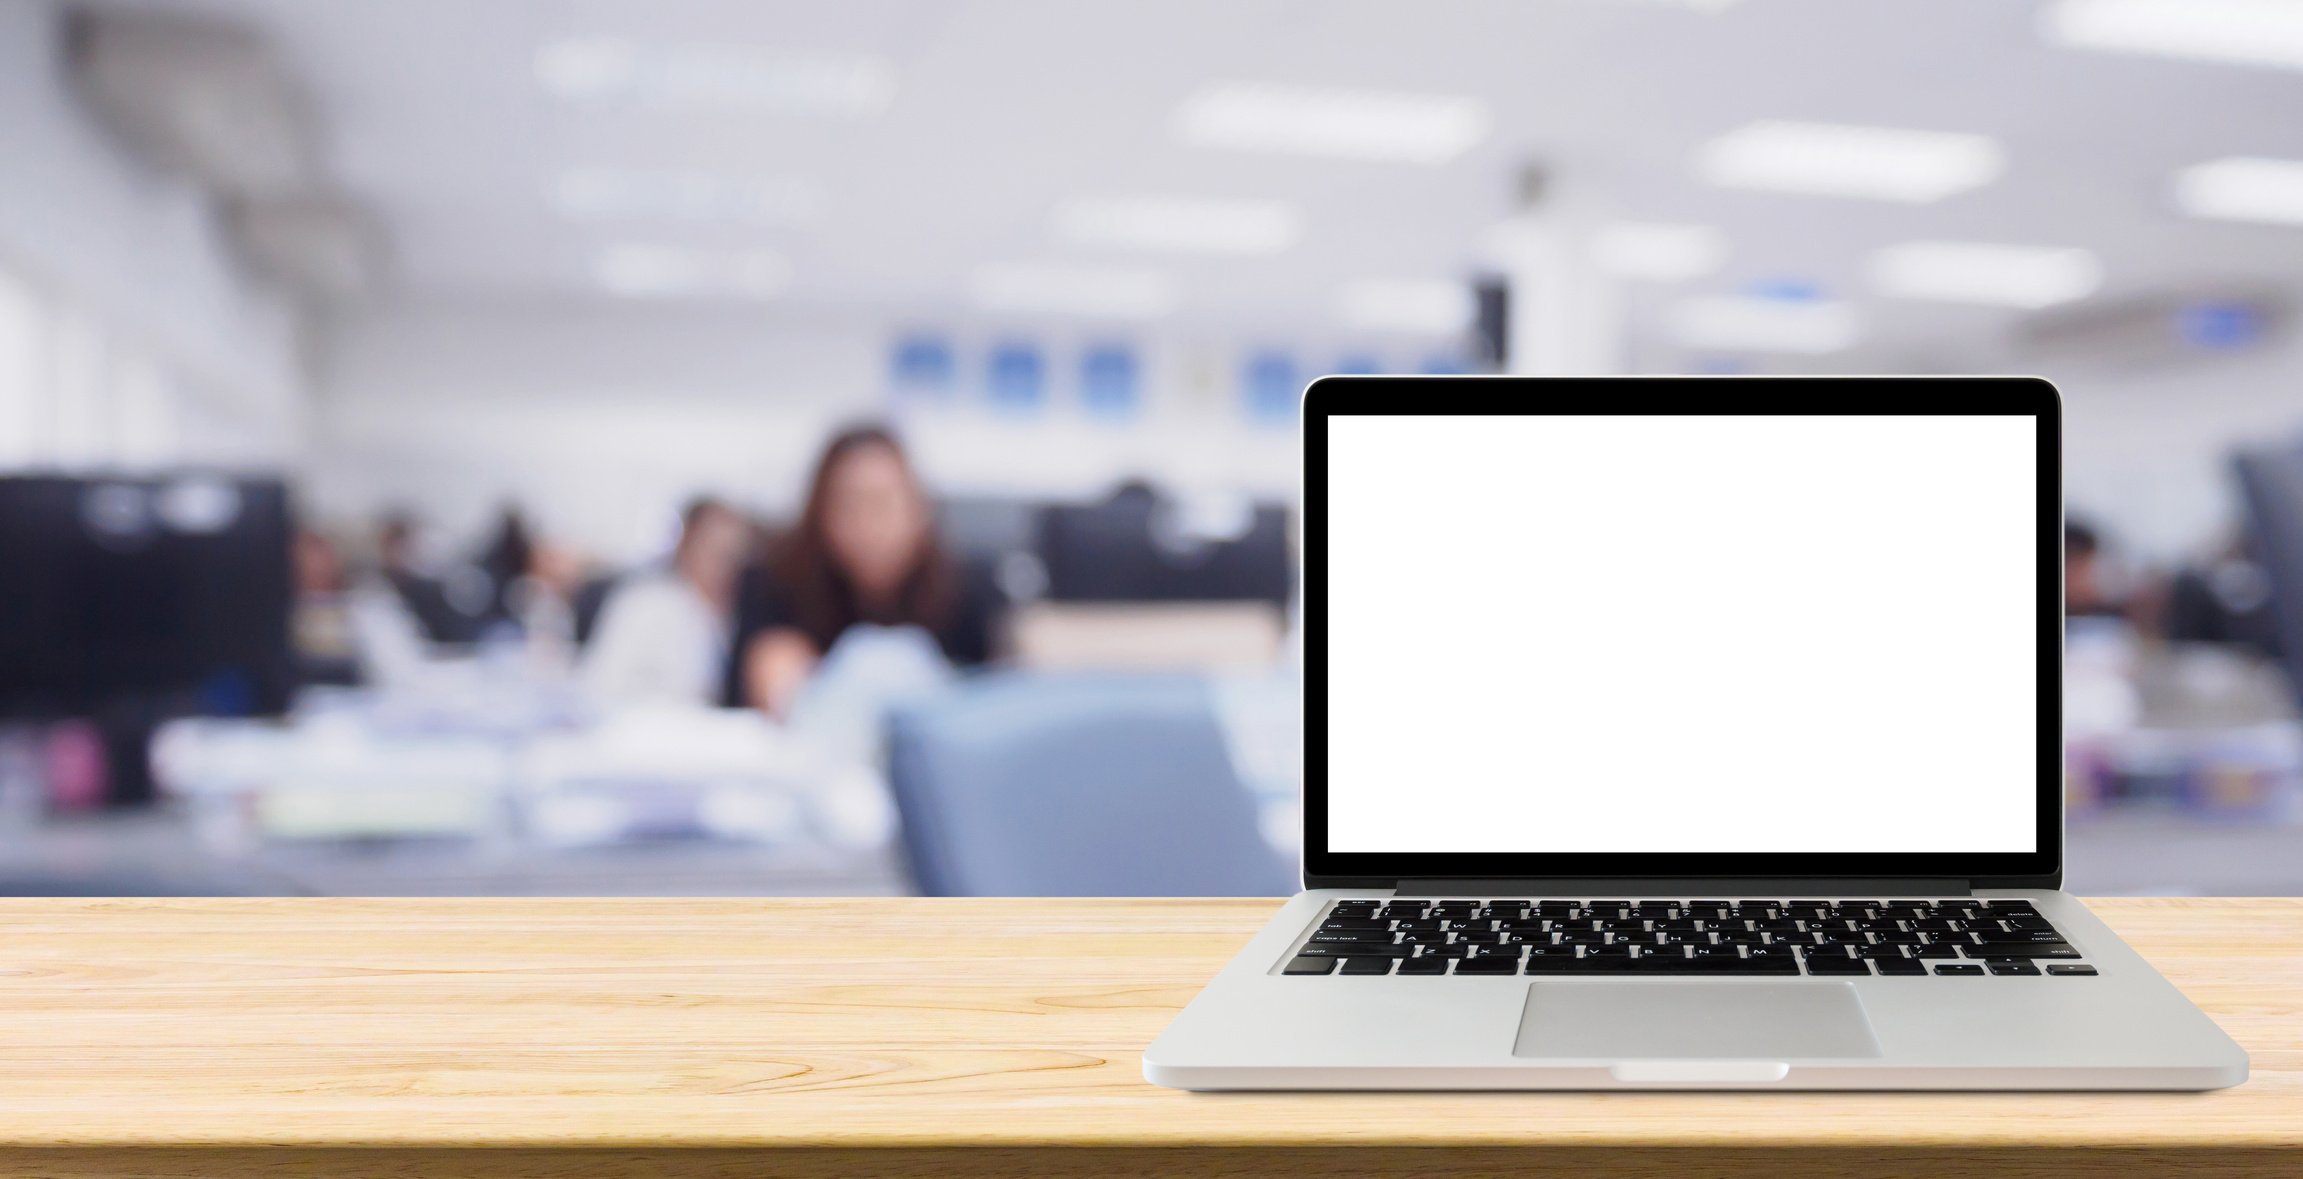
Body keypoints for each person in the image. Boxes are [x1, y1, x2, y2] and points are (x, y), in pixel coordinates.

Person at [733, 425, 997, 717]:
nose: (868, 525)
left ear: (918, 510)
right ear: (820, 514)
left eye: (882, 503)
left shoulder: (965, 588)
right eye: (850, 504)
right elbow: (771, 684)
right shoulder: (775, 582)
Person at [583, 497, 752, 708]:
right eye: (716, 552)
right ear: (688, 544)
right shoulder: (645, 603)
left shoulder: (736, 619)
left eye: (734, 557)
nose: (724, 568)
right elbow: (599, 685)